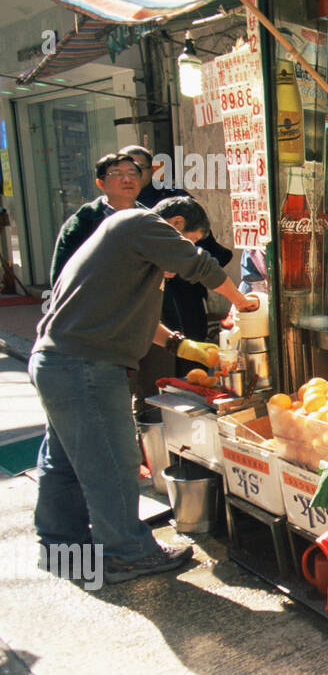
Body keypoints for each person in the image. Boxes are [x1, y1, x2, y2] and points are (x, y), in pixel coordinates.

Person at [30, 196, 260, 585]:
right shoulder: (138, 224)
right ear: (174, 224)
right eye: (188, 239)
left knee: (64, 461)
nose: (175, 267)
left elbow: (135, 317)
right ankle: (127, 554)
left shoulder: (123, 246)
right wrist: (243, 303)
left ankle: (61, 547)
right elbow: (199, 265)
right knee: (113, 463)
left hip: (57, 362)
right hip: (87, 367)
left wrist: (179, 345)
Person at [121, 144, 234, 377]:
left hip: (185, 293)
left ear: (151, 171)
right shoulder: (116, 213)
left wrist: (240, 302)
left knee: (189, 348)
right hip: (129, 312)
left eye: (136, 170)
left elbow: (201, 250)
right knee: (153, 357)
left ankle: (191, 387)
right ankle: (150, 403)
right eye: (123, 171)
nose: (129, 178)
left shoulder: (172, 199)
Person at [48, 152, 142, 284]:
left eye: (132, 173)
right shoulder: (81, 224)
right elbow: (61, 277)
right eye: (117, 174)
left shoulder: (154, 219)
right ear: (100, 183)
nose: (127, 179)